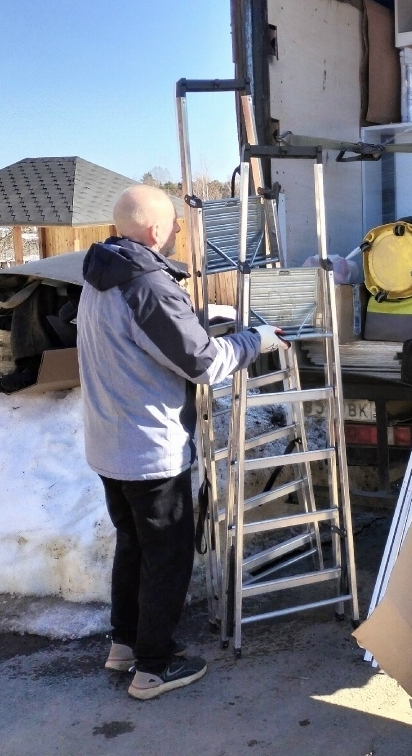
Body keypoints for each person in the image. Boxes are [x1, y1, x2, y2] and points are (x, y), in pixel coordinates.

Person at [78, 184, 287, 700]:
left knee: (134, 547)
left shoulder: (101, 273)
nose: (176, 233)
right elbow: (204, 363)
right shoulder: (146, 284)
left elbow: (148, 341)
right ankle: (154, 667)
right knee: (167, 557)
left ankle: (124, 645)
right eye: (173, 225)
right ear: (153, 230)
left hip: (110, 443)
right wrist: (256, 340)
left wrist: (194, 328)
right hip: (149, 450)